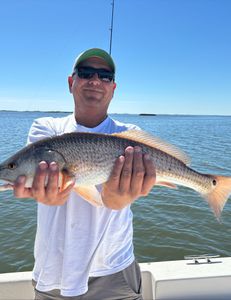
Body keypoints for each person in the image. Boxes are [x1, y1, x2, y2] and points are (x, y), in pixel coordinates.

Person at [14, 48, 156, 299]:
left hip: (115, 270)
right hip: (54, 273)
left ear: (113, 88)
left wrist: (120, 199)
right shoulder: (46, 129)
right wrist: (51, 195)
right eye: (86, 72)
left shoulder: (130, 136)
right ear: (71, 82)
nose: (95, 80)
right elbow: (55, 194)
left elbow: (112, 202)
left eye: (105, 76)